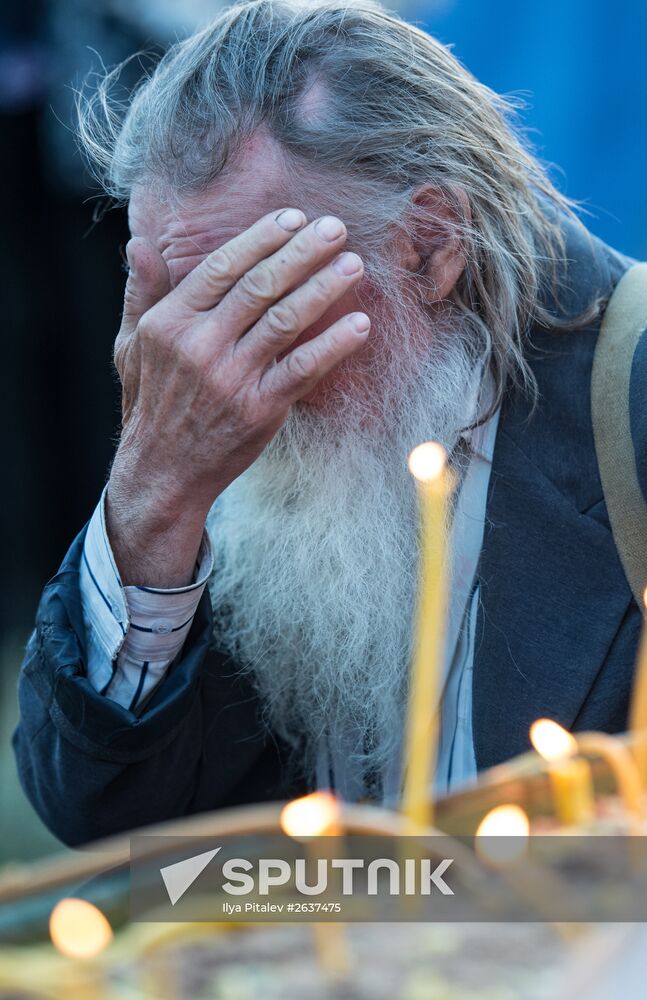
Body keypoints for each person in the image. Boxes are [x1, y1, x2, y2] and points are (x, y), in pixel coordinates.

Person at [12, 0, 641, 847]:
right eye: (173, 307)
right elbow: (105, 823)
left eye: (251, 301)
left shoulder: (625, 404)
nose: (199, 370)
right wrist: (152, 496)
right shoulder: (216, 439)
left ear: (426, 243)